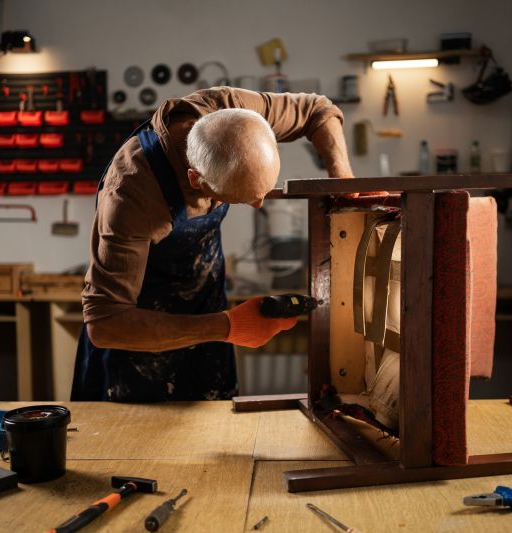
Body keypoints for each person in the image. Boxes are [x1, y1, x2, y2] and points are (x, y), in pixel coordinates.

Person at [71, 87, 353, 402]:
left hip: (208, 319)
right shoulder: (131, 196)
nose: (259, 203)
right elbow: (106, 324)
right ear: (196, 179)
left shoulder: (230, 110)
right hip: (137, 348)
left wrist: (343, 183)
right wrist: (228, 326)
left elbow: (318, 110)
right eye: (244, 198)